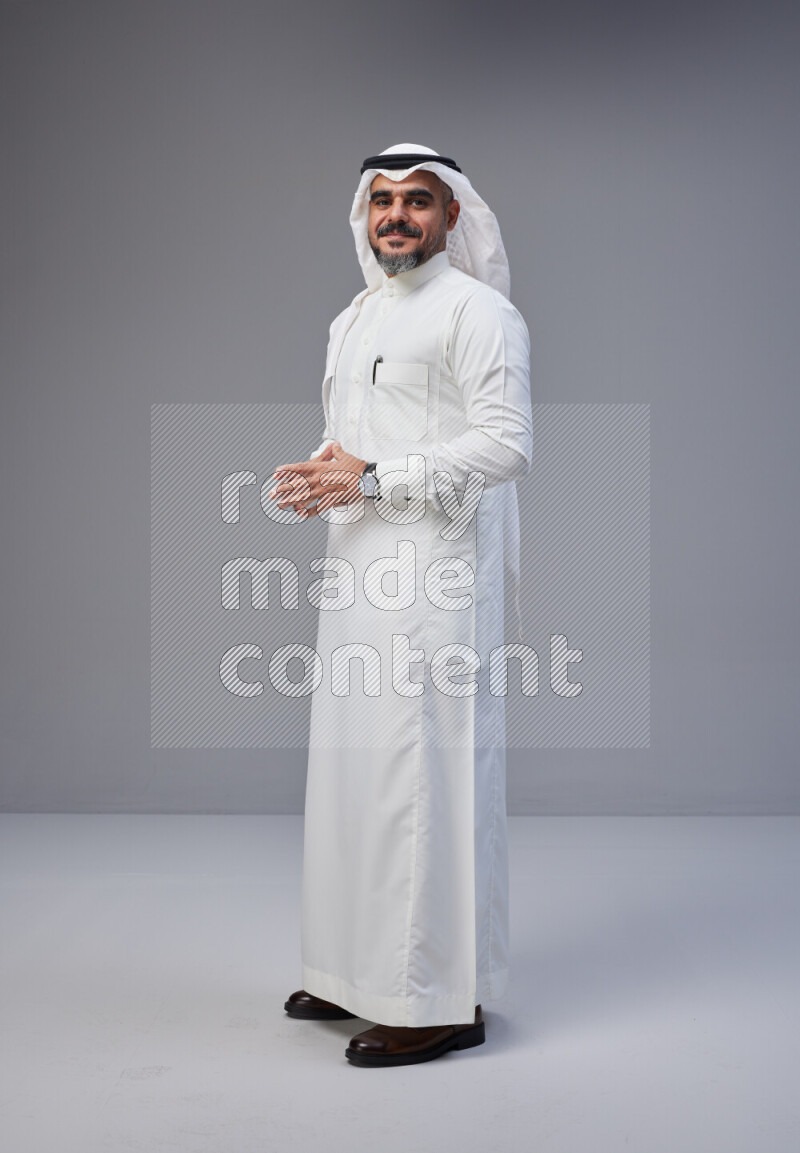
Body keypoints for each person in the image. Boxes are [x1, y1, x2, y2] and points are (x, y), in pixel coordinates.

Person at [268, 143, 532, 1067]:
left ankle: (435, 998)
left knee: (422, 779)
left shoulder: (478, 311)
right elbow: (353, 436)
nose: (396, 216)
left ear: (452, 215)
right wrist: (321, 474)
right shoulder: (355, 316)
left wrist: (376, 477)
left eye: (418, 201)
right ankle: (355, 972)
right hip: (357, 571)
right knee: (354, 776)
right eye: (382, 200)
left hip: (436, 580)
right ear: (364, 213)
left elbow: (506, 444)